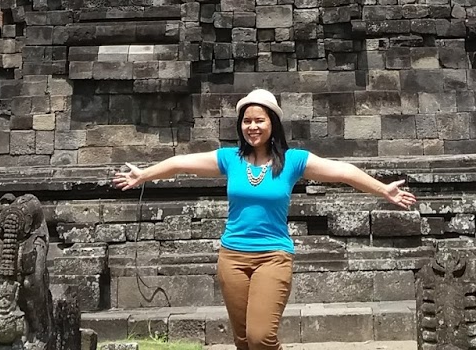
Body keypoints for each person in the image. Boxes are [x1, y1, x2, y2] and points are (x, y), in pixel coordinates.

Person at [112, 89, 417, 350]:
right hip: (232, 257)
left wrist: (383, 189)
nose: (253, 126)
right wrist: (144, 175)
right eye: (247, 121)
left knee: (260, 337)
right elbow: (181, 163)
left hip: (273, 256)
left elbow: (343, 171)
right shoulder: (230, 159)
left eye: (259, 120)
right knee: (243, 340)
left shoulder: (292, 161)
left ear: (273, 123)